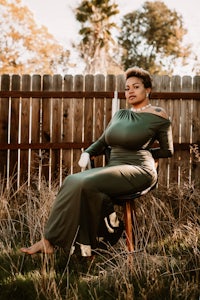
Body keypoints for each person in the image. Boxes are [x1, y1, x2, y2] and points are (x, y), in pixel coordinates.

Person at [20, 67, 174, 257]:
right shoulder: (120, 115)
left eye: (136, 87)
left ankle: (105, 232)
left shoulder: (159, 115)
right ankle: (53, 242)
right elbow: (103, 141)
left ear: (148, 90)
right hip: (114, 168)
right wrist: (88, 152)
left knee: (85, 182)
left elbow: (168, 151)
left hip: (139, 169)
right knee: (72, 181)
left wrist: (147, 153)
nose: (130, 91)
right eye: (127, 88)